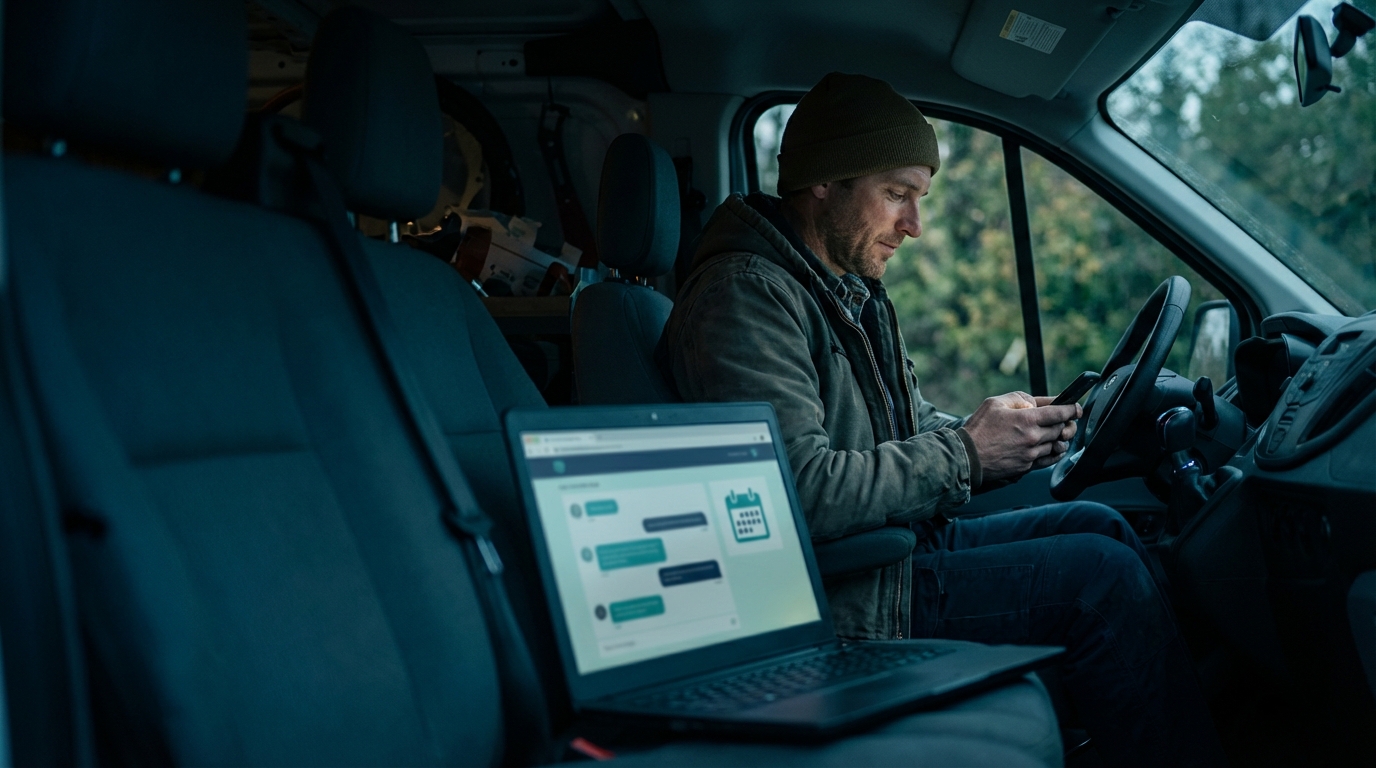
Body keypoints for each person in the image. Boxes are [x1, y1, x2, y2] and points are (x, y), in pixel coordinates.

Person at [661, 72, 1224, 766]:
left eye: (918, 199)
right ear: (824, 182)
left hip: (896, 552)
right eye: (897, 194)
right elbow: (790, 494)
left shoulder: (844, 286)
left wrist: (1006, 432)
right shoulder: (745, 297)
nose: (914, 226)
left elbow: (903, 422)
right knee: (1100, 579)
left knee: (1103, 526)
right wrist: (965, 453)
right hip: (849, 600)